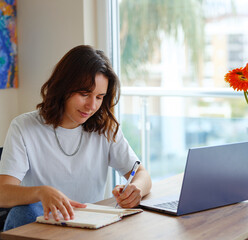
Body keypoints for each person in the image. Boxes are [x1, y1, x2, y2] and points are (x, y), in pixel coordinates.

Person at [0, 45, 152, 231]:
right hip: (45, 226)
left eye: (99, 97)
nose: (92, 105)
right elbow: (3, 193)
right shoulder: (24, 127)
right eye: (84, 94)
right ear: (63, 87)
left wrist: (136, 190)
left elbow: (141, 174)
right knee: (21, 214)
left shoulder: (105, 128)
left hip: (92, 227)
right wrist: (41, 192)